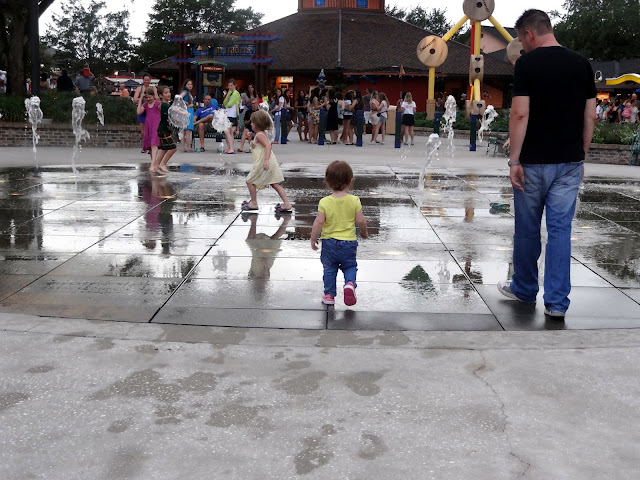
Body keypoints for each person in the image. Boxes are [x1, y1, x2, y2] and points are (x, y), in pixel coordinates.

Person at [497, 9, 596, 319]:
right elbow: (590, 115)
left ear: (529, 34)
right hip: (568, 162)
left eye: (521, 41)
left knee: (527, 230)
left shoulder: (528, 63)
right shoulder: (582, 64)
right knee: (560, 232)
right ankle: (556, 303)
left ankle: (525, 290)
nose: (522, 48)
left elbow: (520, 114)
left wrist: (514, 158)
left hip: (532, 163)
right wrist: (581, 154)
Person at [310, 160, 369, 306]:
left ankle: (329, 295)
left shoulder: (324, 202)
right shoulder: (354, 200)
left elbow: (319, 222)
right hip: (349, 242)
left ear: (327, 182)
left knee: (329, 269)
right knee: (350, 266)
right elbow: (361, 221)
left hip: (329, 242)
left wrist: (313, 238)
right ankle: (349, 284)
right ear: (350, 181)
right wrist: (364, 233)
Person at [241, 109, 293, 214]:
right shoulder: (261, 134)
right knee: (274, 183)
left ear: (258, 124)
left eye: (252, 122)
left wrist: (265, 161)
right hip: (268, 162)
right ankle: (286, 203)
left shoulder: (260, 135)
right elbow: (256, 147)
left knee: (250, 181)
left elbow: (268, 146)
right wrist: (250, 139)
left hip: (263, 163)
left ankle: (254, 203)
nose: (251, 124)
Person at [137, 87, 161, 172]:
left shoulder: (157, 103)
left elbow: (162, 106)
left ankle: (152, 165)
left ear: (153, 96)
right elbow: (139, 112)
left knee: (154, 144)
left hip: (156, 125)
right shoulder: (145, 105)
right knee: (150, 146)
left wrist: (156, 95)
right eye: (146, 97)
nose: (148, 99)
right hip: (148, 126)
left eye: (150, 97)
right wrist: (140, 99)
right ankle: (154, 164)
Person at [154, 86, 178, 174]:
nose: (168, 94)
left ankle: (156, 167)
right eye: (166, 93)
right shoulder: (164, 105)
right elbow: (171, 113)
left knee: (164, 149)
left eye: (169, 92)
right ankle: (163, 164)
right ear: (161, 95)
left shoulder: (166, 104)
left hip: (163, 130)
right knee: (173, 148)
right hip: (163, 130)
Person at [133, 74, 158, 153]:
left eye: (148, 80)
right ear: (143, 80)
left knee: (152, 130)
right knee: (143, 131)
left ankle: (151, 145)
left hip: (151, 110)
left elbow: (157, 98)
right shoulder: (139, 88)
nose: (147, 81)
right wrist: (142, 97)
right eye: (145, 80)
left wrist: (152, 96)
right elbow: (134, 100)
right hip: (143, 109)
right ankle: (145, 145)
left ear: (150, 80)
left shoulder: (153, 88)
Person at [222, 78, 241, 154]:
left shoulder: (236, 93)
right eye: (229, 85)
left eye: (231, 85)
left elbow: (229, 104)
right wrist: (228, 93)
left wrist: (226, 105)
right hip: (228, 114)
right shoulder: (230, 93)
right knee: (229, 132)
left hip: (232, 115)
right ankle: (229, 147)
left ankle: (231, 148)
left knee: (227, 131)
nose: (230, 87)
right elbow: (224, 102)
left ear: (235, 85)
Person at [180, 79, 195, 153]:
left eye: (191, 84)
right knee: (188, 130)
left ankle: (183, 147)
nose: (190, 85)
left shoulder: (188, 93)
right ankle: (188, 147)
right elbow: (179, 98)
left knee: (183, 130)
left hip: (186, 112)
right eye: (188, 84)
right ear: (185, 85)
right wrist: (185, 103)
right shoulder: (185, 92)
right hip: (187, 112)